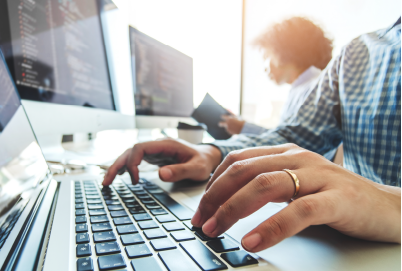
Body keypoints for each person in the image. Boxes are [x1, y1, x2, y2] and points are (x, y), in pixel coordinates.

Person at [103, 18, 402, 253]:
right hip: (350, 247)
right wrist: (214, 152)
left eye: (268, 56)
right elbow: (295, 135)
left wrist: (389, 203)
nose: (264, 66)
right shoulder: (358, 53)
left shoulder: (310, 81)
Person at [219, 17, 333, 137]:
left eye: (266, 57)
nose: (265, 67)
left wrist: (244, 128)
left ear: (285, 52)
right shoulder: (304, 88)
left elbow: (291, 143)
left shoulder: (313, 90)